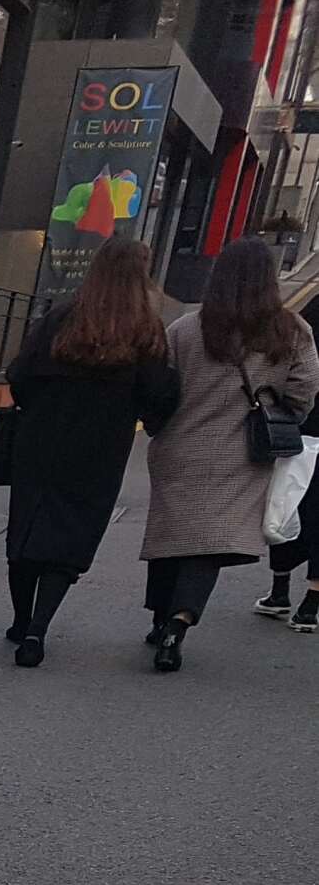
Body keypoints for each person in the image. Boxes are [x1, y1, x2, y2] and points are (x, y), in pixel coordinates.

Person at [141, 235, 319, 672]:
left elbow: (158, 388)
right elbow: (304, 391)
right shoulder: (290, 332)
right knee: (209, 542)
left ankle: (160, 616)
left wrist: (159, 426)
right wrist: (280, 415)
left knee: (173, 534)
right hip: (244, 453)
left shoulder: (186, 329)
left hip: (179, 447)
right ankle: (179, 622)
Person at [0, 236, 180, 667]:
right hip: (100, 449)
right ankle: (38, 631)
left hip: (40, 439)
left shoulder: (61, 316)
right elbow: (159, 394)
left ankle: (20, 619)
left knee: (27, 529)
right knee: (72, 537)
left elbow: (19, 374)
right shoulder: (145, 329)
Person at [250, 288, 319, 633]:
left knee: (286, 502)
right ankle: (311, 604)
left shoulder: (313, 310)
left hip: (306, 428)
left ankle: (279, 591)